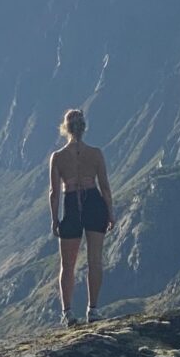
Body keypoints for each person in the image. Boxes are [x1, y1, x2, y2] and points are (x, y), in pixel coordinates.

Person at [49, 107, 115, 326]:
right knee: (94, 260)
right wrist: (110, 213)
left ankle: (67, 313)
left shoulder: (58, 157)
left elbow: (54, 192)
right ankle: (92, 310)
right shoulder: (95, 153)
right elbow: (104, 187)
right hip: (94, 203)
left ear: (64, 128)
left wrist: (54, 219)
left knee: (67, 265)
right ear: (84, 128)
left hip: (71, 204)